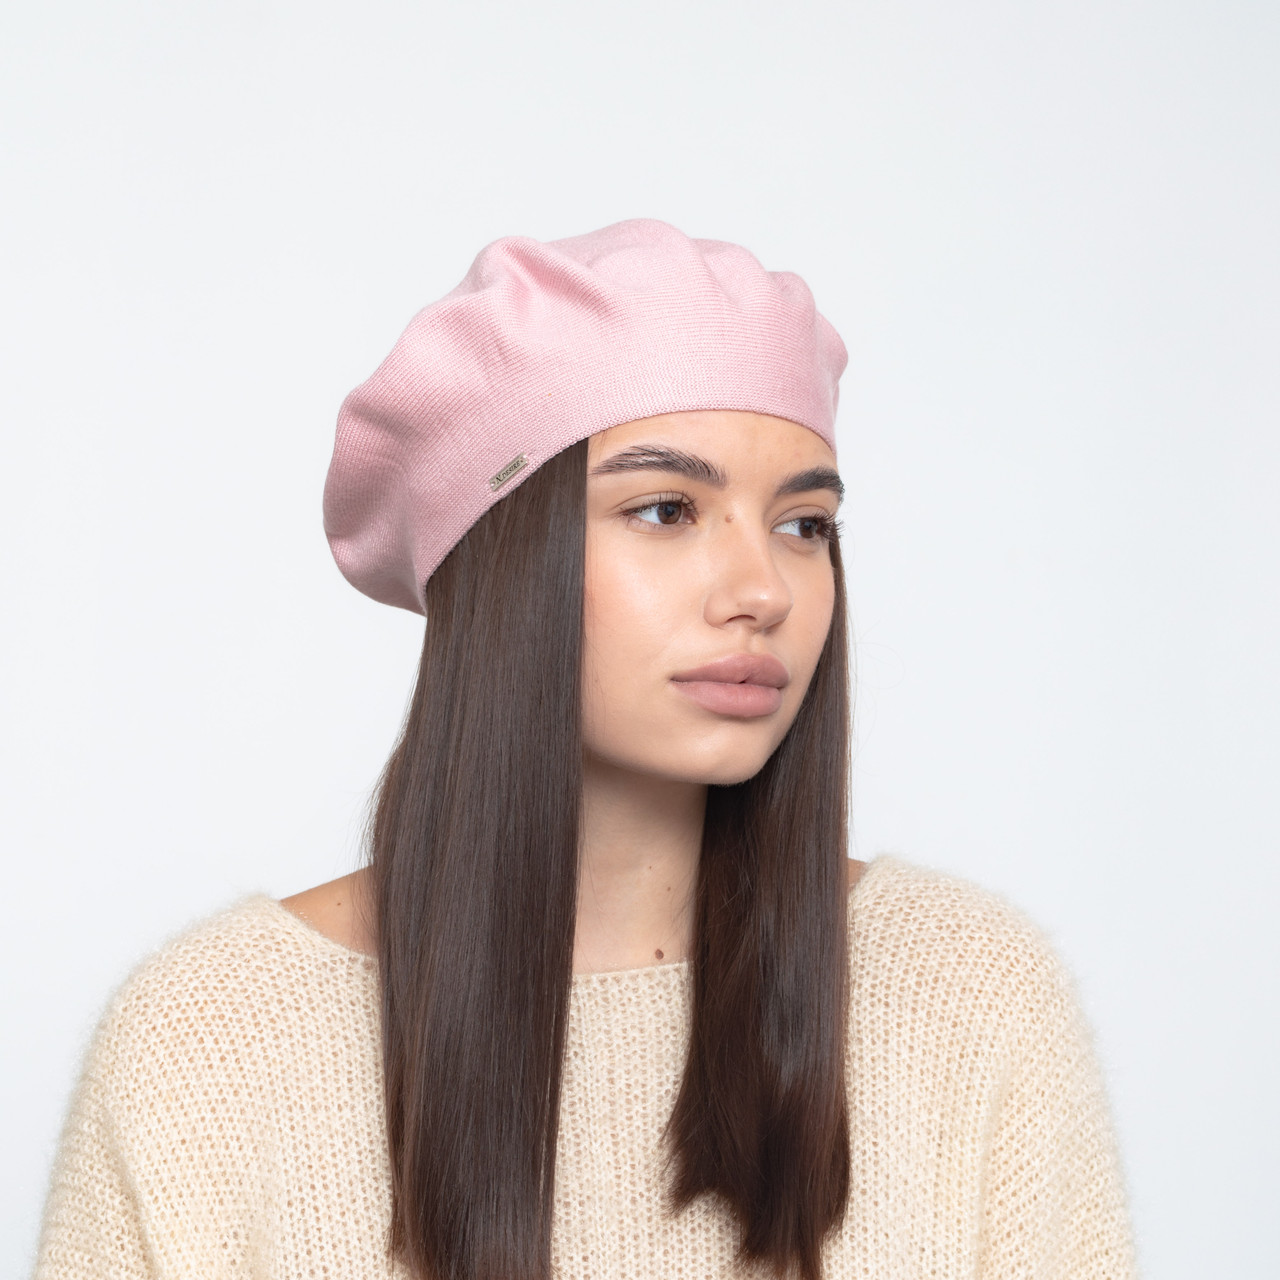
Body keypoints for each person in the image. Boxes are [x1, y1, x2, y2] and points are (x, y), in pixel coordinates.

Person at [32, 219, 1138, 1280]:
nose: (761, 589)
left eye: (803, 525)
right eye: (665, 509)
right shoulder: (209, 1045)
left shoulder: (971, 998)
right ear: (500, 557)